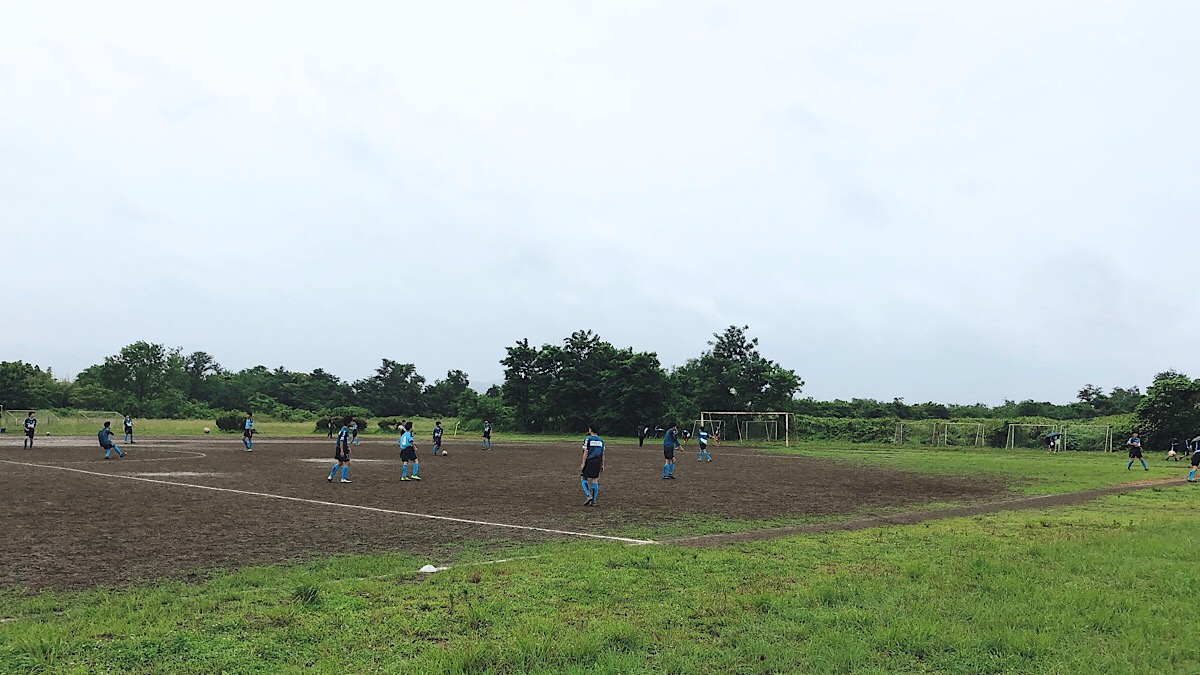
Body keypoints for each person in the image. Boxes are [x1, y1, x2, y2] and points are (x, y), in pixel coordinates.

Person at [580, 425, 604, 506]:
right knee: (595, 479)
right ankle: (593, 501)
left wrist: (583, 462)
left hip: (590, 461)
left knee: (583, 477)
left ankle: (588, 495)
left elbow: (585, 451)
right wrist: (602, 464)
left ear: (590, 430)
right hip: (598, 461)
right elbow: (603, 454)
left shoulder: (588, 439)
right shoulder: (601, 441)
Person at [327, 419, 352, 483]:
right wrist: (342, 450)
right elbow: (341, 440)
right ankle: (343, 479)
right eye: (351, 421)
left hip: (340, 447)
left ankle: (330, 476)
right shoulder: (344, 431)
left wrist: (348, 447)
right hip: (341, 448)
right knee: (346, 462)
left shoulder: (343, 429)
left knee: (340, 462)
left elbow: (344, 440)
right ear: (348, 423)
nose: (352, 423)